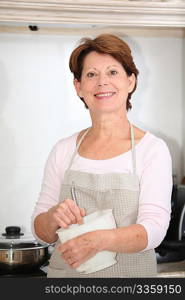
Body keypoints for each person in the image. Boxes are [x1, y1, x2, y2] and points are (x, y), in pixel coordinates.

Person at [31, 34, 172, 278]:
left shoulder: (152, 150)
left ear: (131, 81)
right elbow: (40, 231)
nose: (102, 82)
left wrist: (99, 240)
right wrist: (51, 218)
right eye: (91, 74)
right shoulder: (63, 149)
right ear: (78, 87)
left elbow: (154, 229)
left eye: (113, 72)